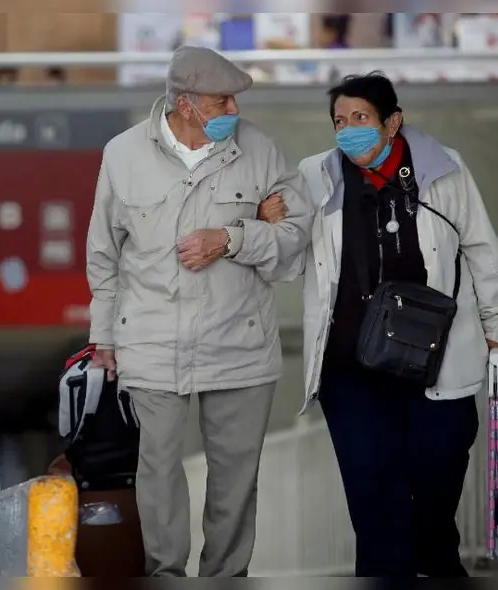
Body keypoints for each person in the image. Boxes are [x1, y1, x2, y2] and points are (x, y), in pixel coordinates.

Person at [260, 72, 498, 577]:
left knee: (438, 479)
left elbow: (481, 248)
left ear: (393, 120)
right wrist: (274, 228)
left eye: (361, 118)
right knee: (373, 496)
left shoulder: (443, 170)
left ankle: (438, 565)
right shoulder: (315, 176)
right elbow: (288, 267)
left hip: (436, 359)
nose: (348, 130)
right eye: (339, 121)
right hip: (351, 366)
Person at [85, 45, 313, 577]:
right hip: (150, 342)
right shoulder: (121, 154)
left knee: (235, 478)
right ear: (185, 105)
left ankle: (225, 580)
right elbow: (104, 254)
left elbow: (294, 245)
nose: (234, 109)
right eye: (222, 100)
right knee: (158, 473)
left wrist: (234, 238)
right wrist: (105, 339)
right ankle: (164, 577)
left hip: (240, 345)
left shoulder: (260, 150)